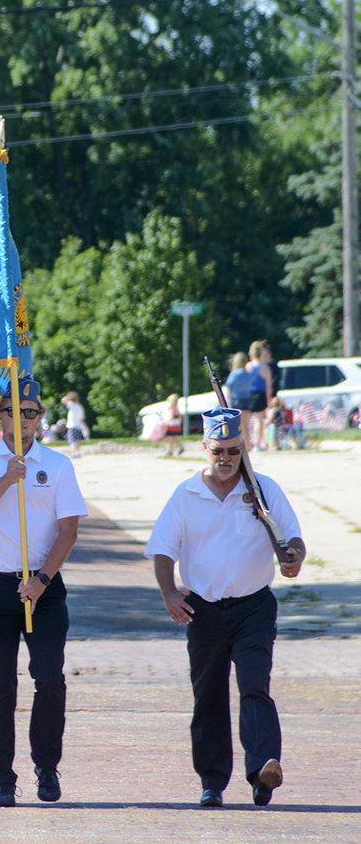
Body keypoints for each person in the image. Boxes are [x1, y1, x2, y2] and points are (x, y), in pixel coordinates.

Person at [144, 408, 305, 809]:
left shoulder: (263, 489)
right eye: (218, 450)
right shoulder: (186, 494)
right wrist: (169, 593)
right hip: (203, 609)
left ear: (243, 450)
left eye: (234, 450)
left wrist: (292, 557)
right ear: (205, 448)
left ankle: (263, 769)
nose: (225, 458)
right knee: (208, 695)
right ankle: (212, 781)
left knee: (254, 685)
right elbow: (162, 549)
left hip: (254, 606)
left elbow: (294, 538)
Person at [0, 378, 88, 807]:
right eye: (14, 410)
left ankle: (47, 765)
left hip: (44, 585)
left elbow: (68, 531)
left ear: (41, 417)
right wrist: (5, 481)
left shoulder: (58, 465)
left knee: (49, 679)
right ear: (1, 416)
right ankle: (1, 779)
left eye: (31, 411)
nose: (23, 418)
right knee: (0, 685)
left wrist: (42, 580)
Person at [246, 341, 274, 451]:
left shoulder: (247, 366)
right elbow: (268, 386)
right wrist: (268, 400)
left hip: (248, 394)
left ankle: (248, 443)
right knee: (258, 420)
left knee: (246, 422)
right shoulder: (264, 367)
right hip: (259, 394)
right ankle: (257, 444)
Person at [223, 351, 253, 428]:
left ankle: (240, 440)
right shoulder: (248, 374)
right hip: (247, 400)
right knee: (246, 425)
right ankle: (247, 440)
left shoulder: (234, 374)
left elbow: (229, 387)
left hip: (237, 401)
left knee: (238, 425)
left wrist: (228, 401)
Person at [60, 391, 87, 458]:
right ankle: (78, 452)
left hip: (72, 426)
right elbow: (82, 417)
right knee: (77, 440)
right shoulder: (80, 406)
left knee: (72, 440)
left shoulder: (72, 405)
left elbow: (63, 400)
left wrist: (67, 396)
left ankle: (73, 453)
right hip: (78, 426)